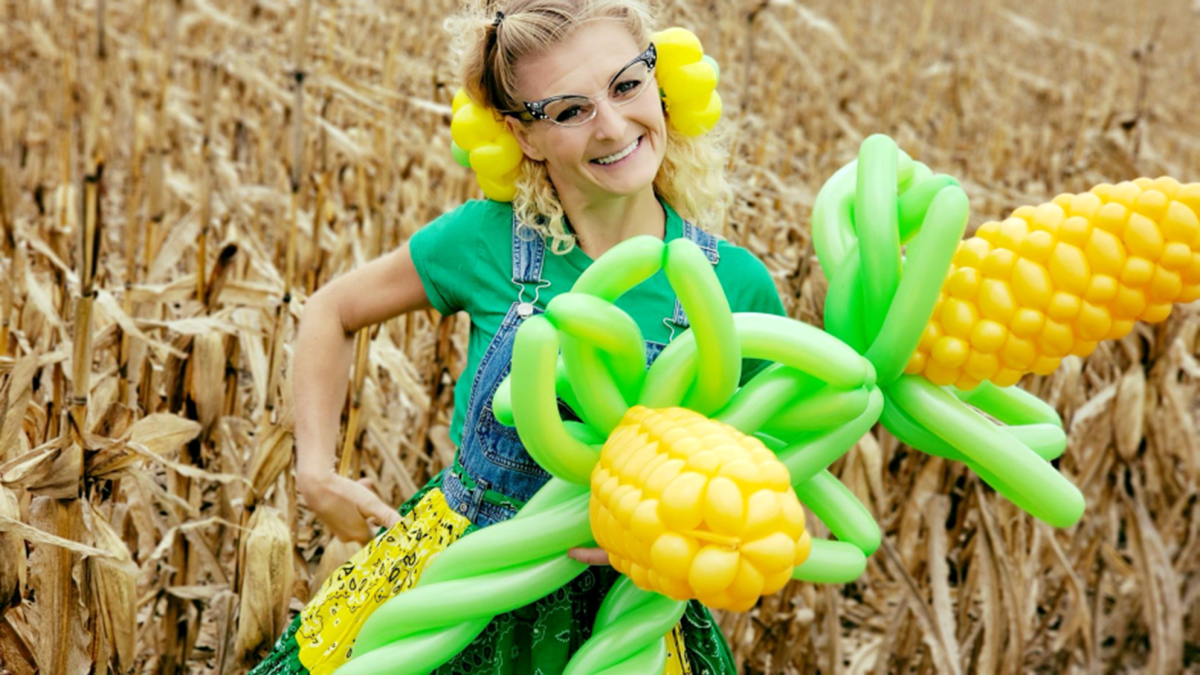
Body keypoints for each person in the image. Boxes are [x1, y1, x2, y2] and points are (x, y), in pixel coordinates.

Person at [251, 1, 786, 672]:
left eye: (626, 85)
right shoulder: (484, 242)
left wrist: (687, 534)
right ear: (521, 135)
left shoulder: (733, 287)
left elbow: (780, 461)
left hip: (629, 622)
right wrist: (316, 472)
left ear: (660, 80)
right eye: (568, 110)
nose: (613, 125)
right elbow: (331, 310)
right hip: (455, 594)